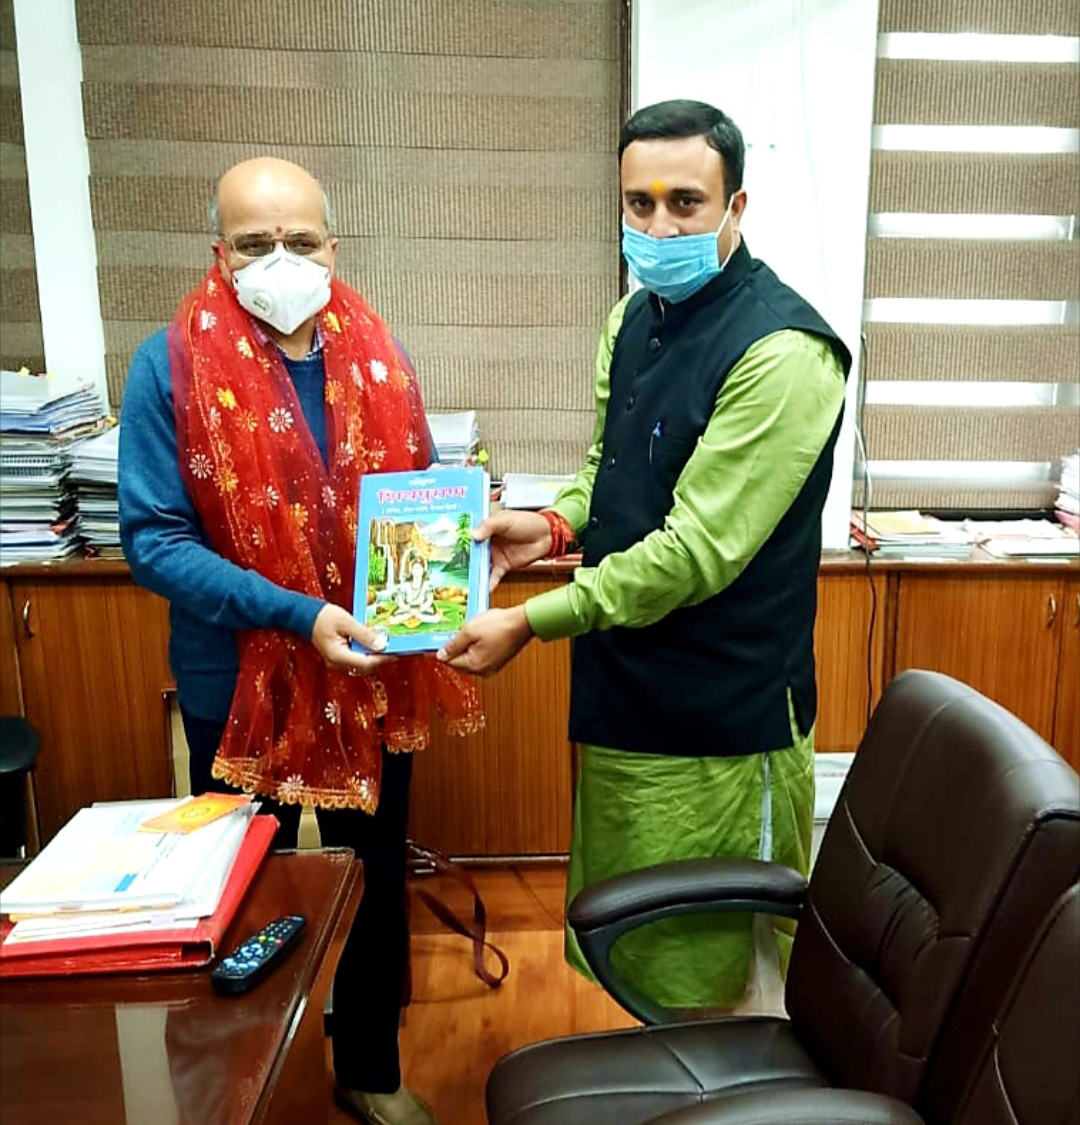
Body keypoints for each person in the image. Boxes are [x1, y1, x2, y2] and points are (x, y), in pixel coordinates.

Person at [438, 100, 851, 1010]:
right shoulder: (631, 318)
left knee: (728, 982)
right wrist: (551, 527)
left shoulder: (784, 351)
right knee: (638, 957)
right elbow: (614, 471)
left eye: (685, 203)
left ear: (736, 206)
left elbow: (696, 550)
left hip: (724, 718)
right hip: (626, 693)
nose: (658, 226)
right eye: (639, 203)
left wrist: (532, 621)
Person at [119, 156, 482, 1125]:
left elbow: (421, 493)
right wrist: (296, 614)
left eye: (301, 241)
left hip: (370, 668)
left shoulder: (380, 353)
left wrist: (451, 559)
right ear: (218, 254)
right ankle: (246, 1083)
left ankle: (368, 1068)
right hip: (237, 683)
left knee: (372, 878)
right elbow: (152, 540)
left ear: (333, 247)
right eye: (254, 244)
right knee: (243, 891)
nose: (280, 259)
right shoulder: (169, 364)